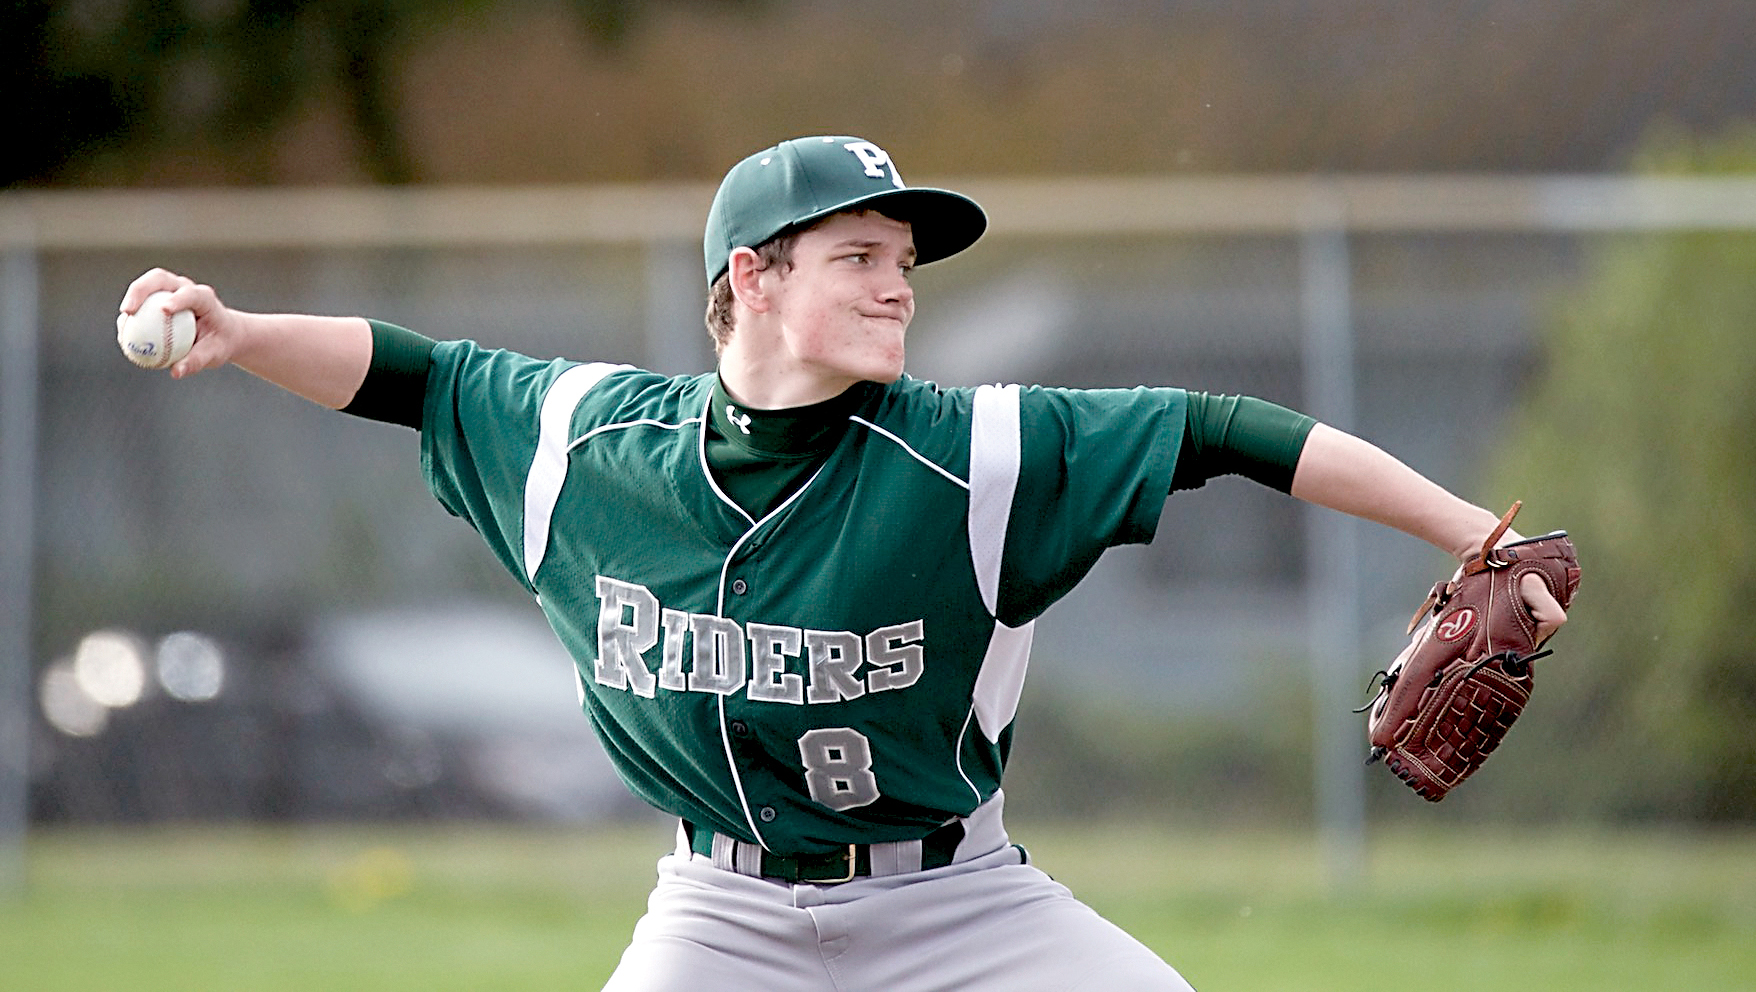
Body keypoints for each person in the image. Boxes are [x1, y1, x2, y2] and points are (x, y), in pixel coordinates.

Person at [119, 134, 1566, 991]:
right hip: (723, 911)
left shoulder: (978, 455)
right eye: (859, 255)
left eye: (906, 265)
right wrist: (239, 332)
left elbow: (1231, 430)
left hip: (960, 905)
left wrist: (1480, 539)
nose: (897, 288)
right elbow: (411, 376)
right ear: (751, 276)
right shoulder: (585, 445)